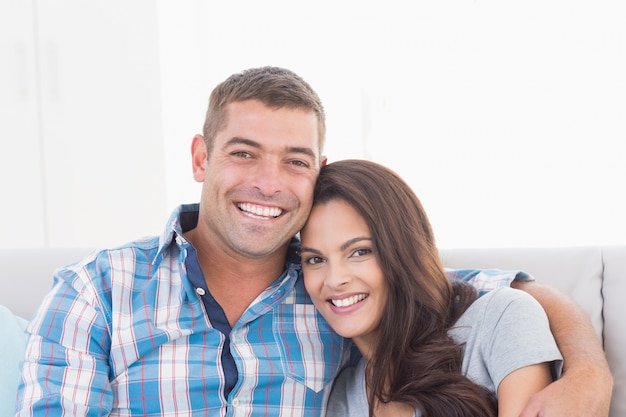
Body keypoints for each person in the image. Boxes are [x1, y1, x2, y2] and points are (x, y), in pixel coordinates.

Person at [15, 66, 611, 416]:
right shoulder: (97, 290)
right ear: (202, 157)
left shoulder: (334, 298)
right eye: (244, 153)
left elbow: (480, 292)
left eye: (294, 161)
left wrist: (589, 369)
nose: (268, 183)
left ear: (316, 168)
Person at [300, 159, 563, 417]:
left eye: (360, 252)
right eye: (315, 259)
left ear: (404, 251)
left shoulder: (501, 319)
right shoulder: (343, 397)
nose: (334, 279)